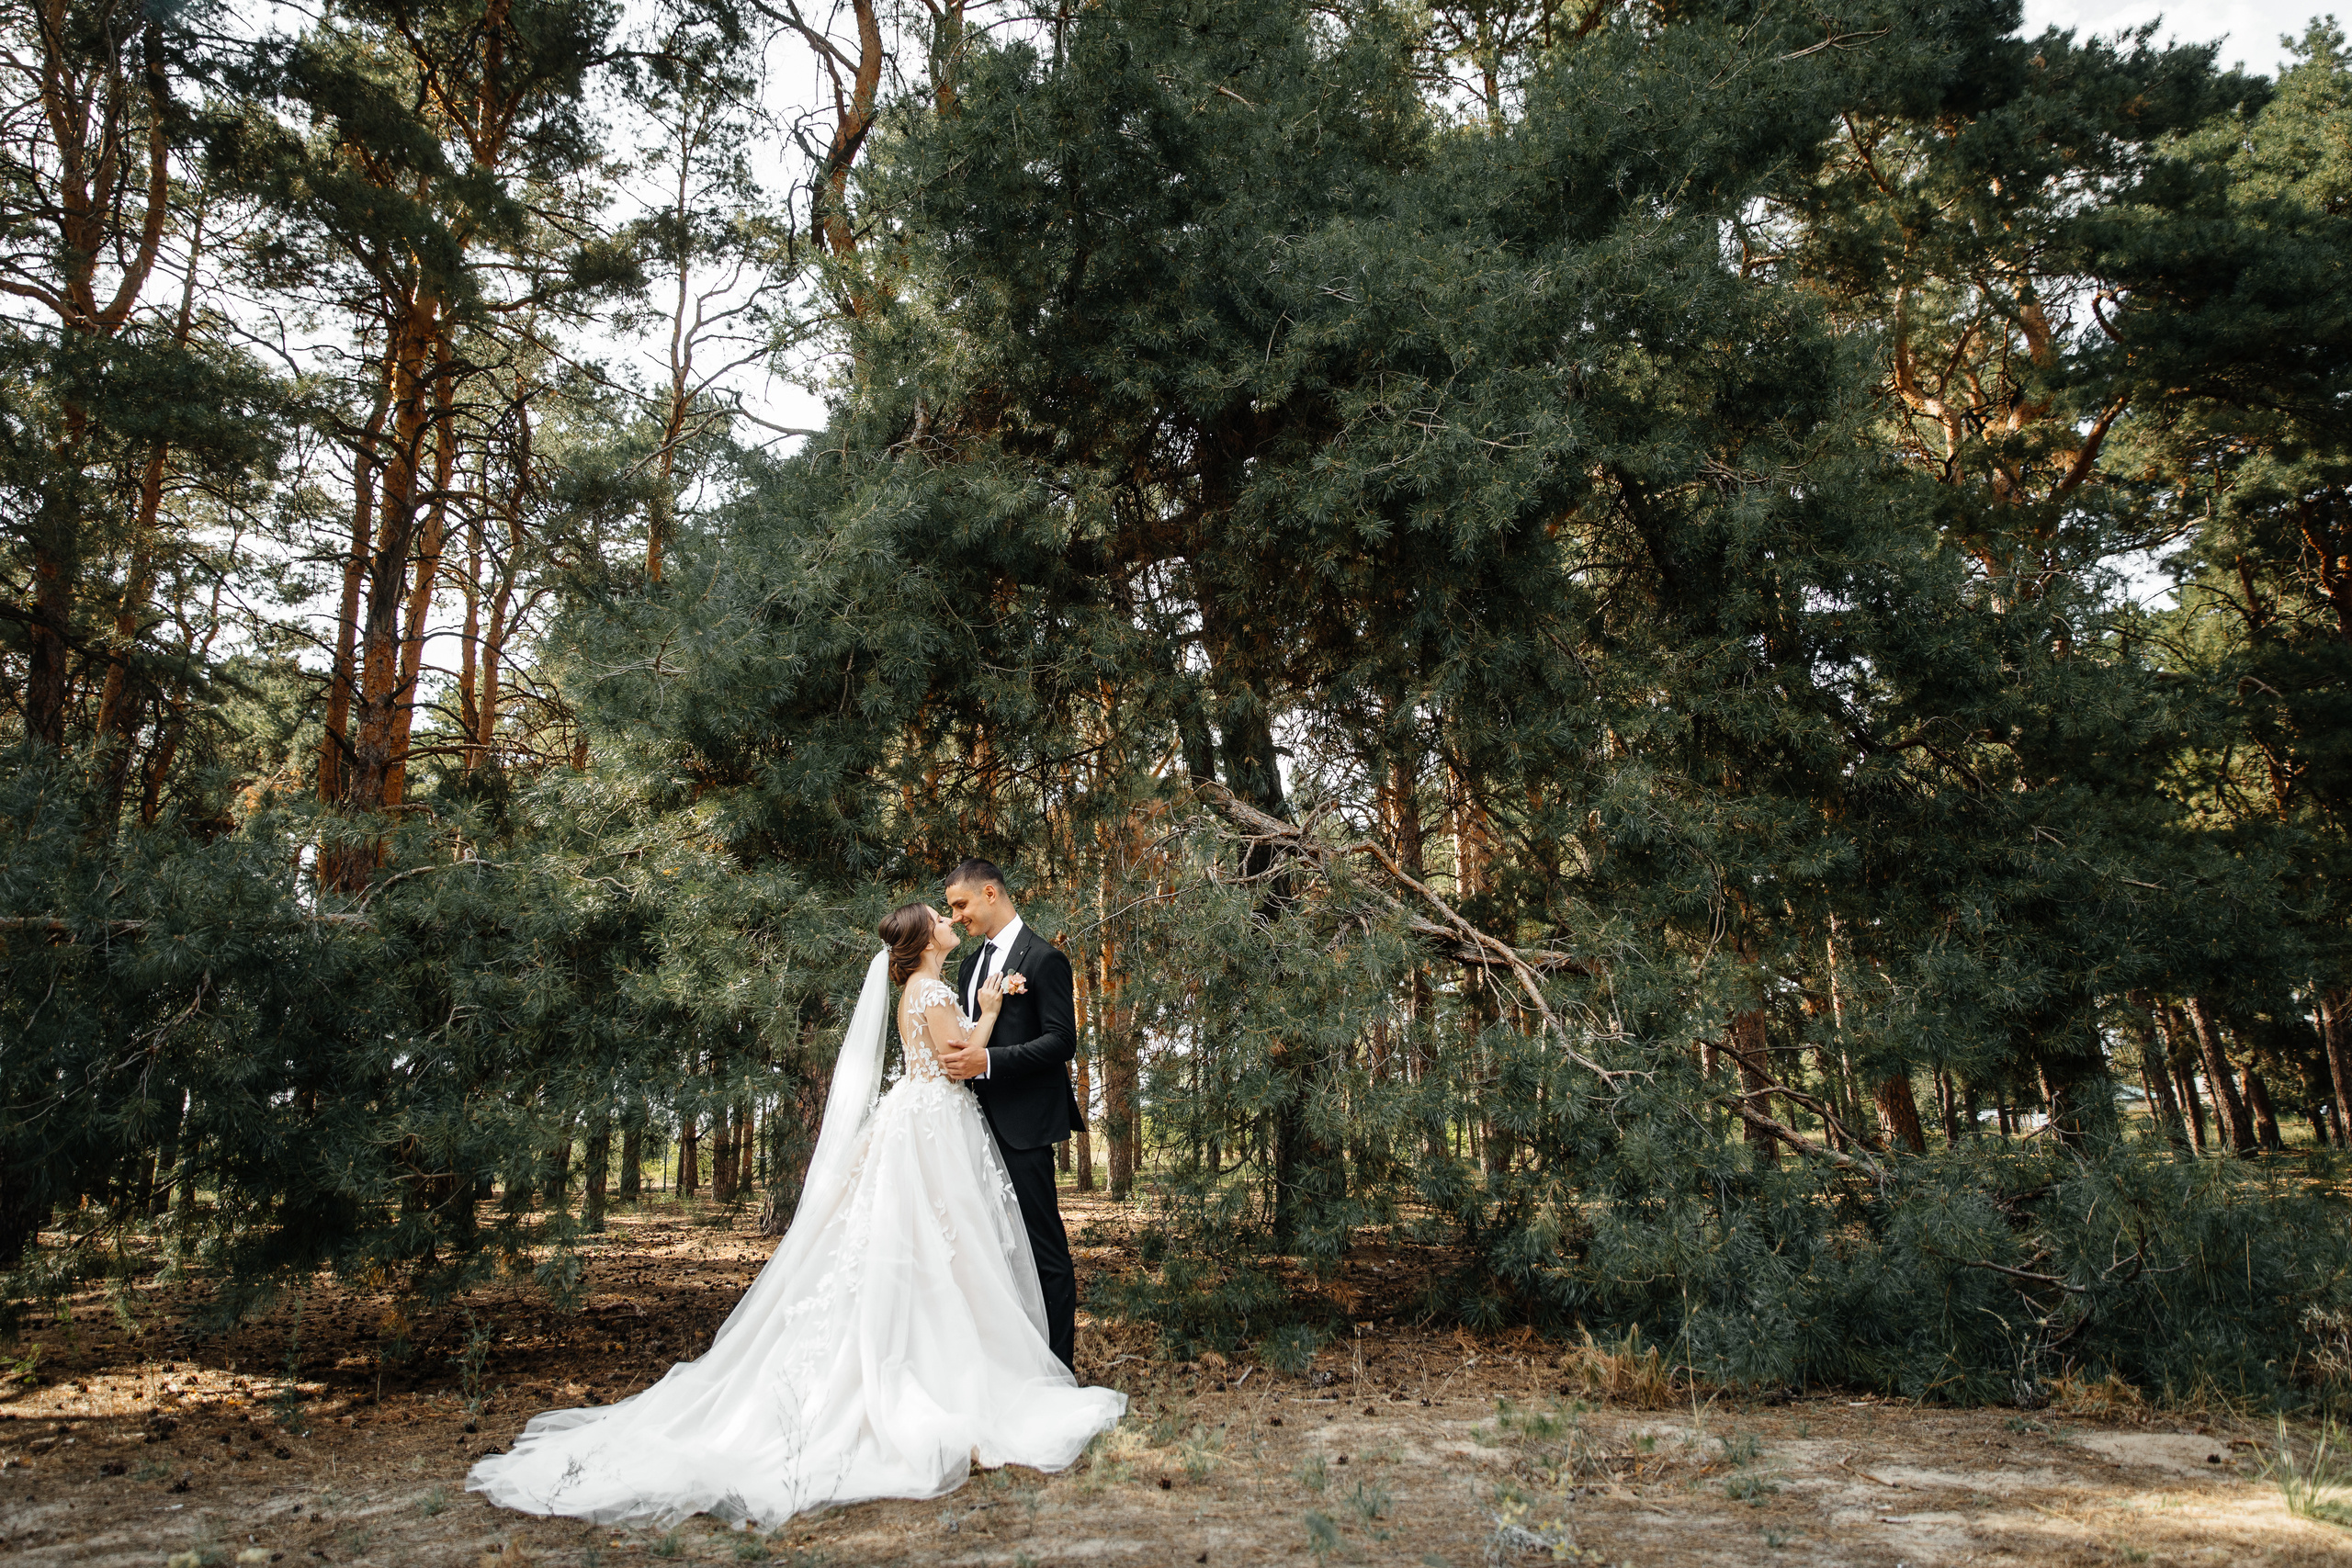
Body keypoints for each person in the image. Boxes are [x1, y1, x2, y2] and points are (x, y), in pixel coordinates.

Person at [465, 902, 1125, 1529]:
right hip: (935, 1123)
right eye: (938, 915)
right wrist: (989, 1011)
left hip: (919, 1121)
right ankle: (952, 1373)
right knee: (945, 1249)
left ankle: (940, 1360)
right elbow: (957, 1066)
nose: (948, 918)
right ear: (926, 940)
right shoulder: (930, 990)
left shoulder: (916, 989)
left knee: (926, 1250)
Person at [936, 857, 1085, 1370]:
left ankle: (1059, 1372)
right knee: (993, 1252)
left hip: (1024, 1127)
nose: (956, 916)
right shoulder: (968, 967)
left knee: (1044, 1251)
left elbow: (1061, 1041)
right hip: (972, 1127)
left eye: (961, 904)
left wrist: (990, 1061)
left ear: (991, 893)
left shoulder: (1043, 959)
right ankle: (1012, 1367)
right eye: (951, 909)